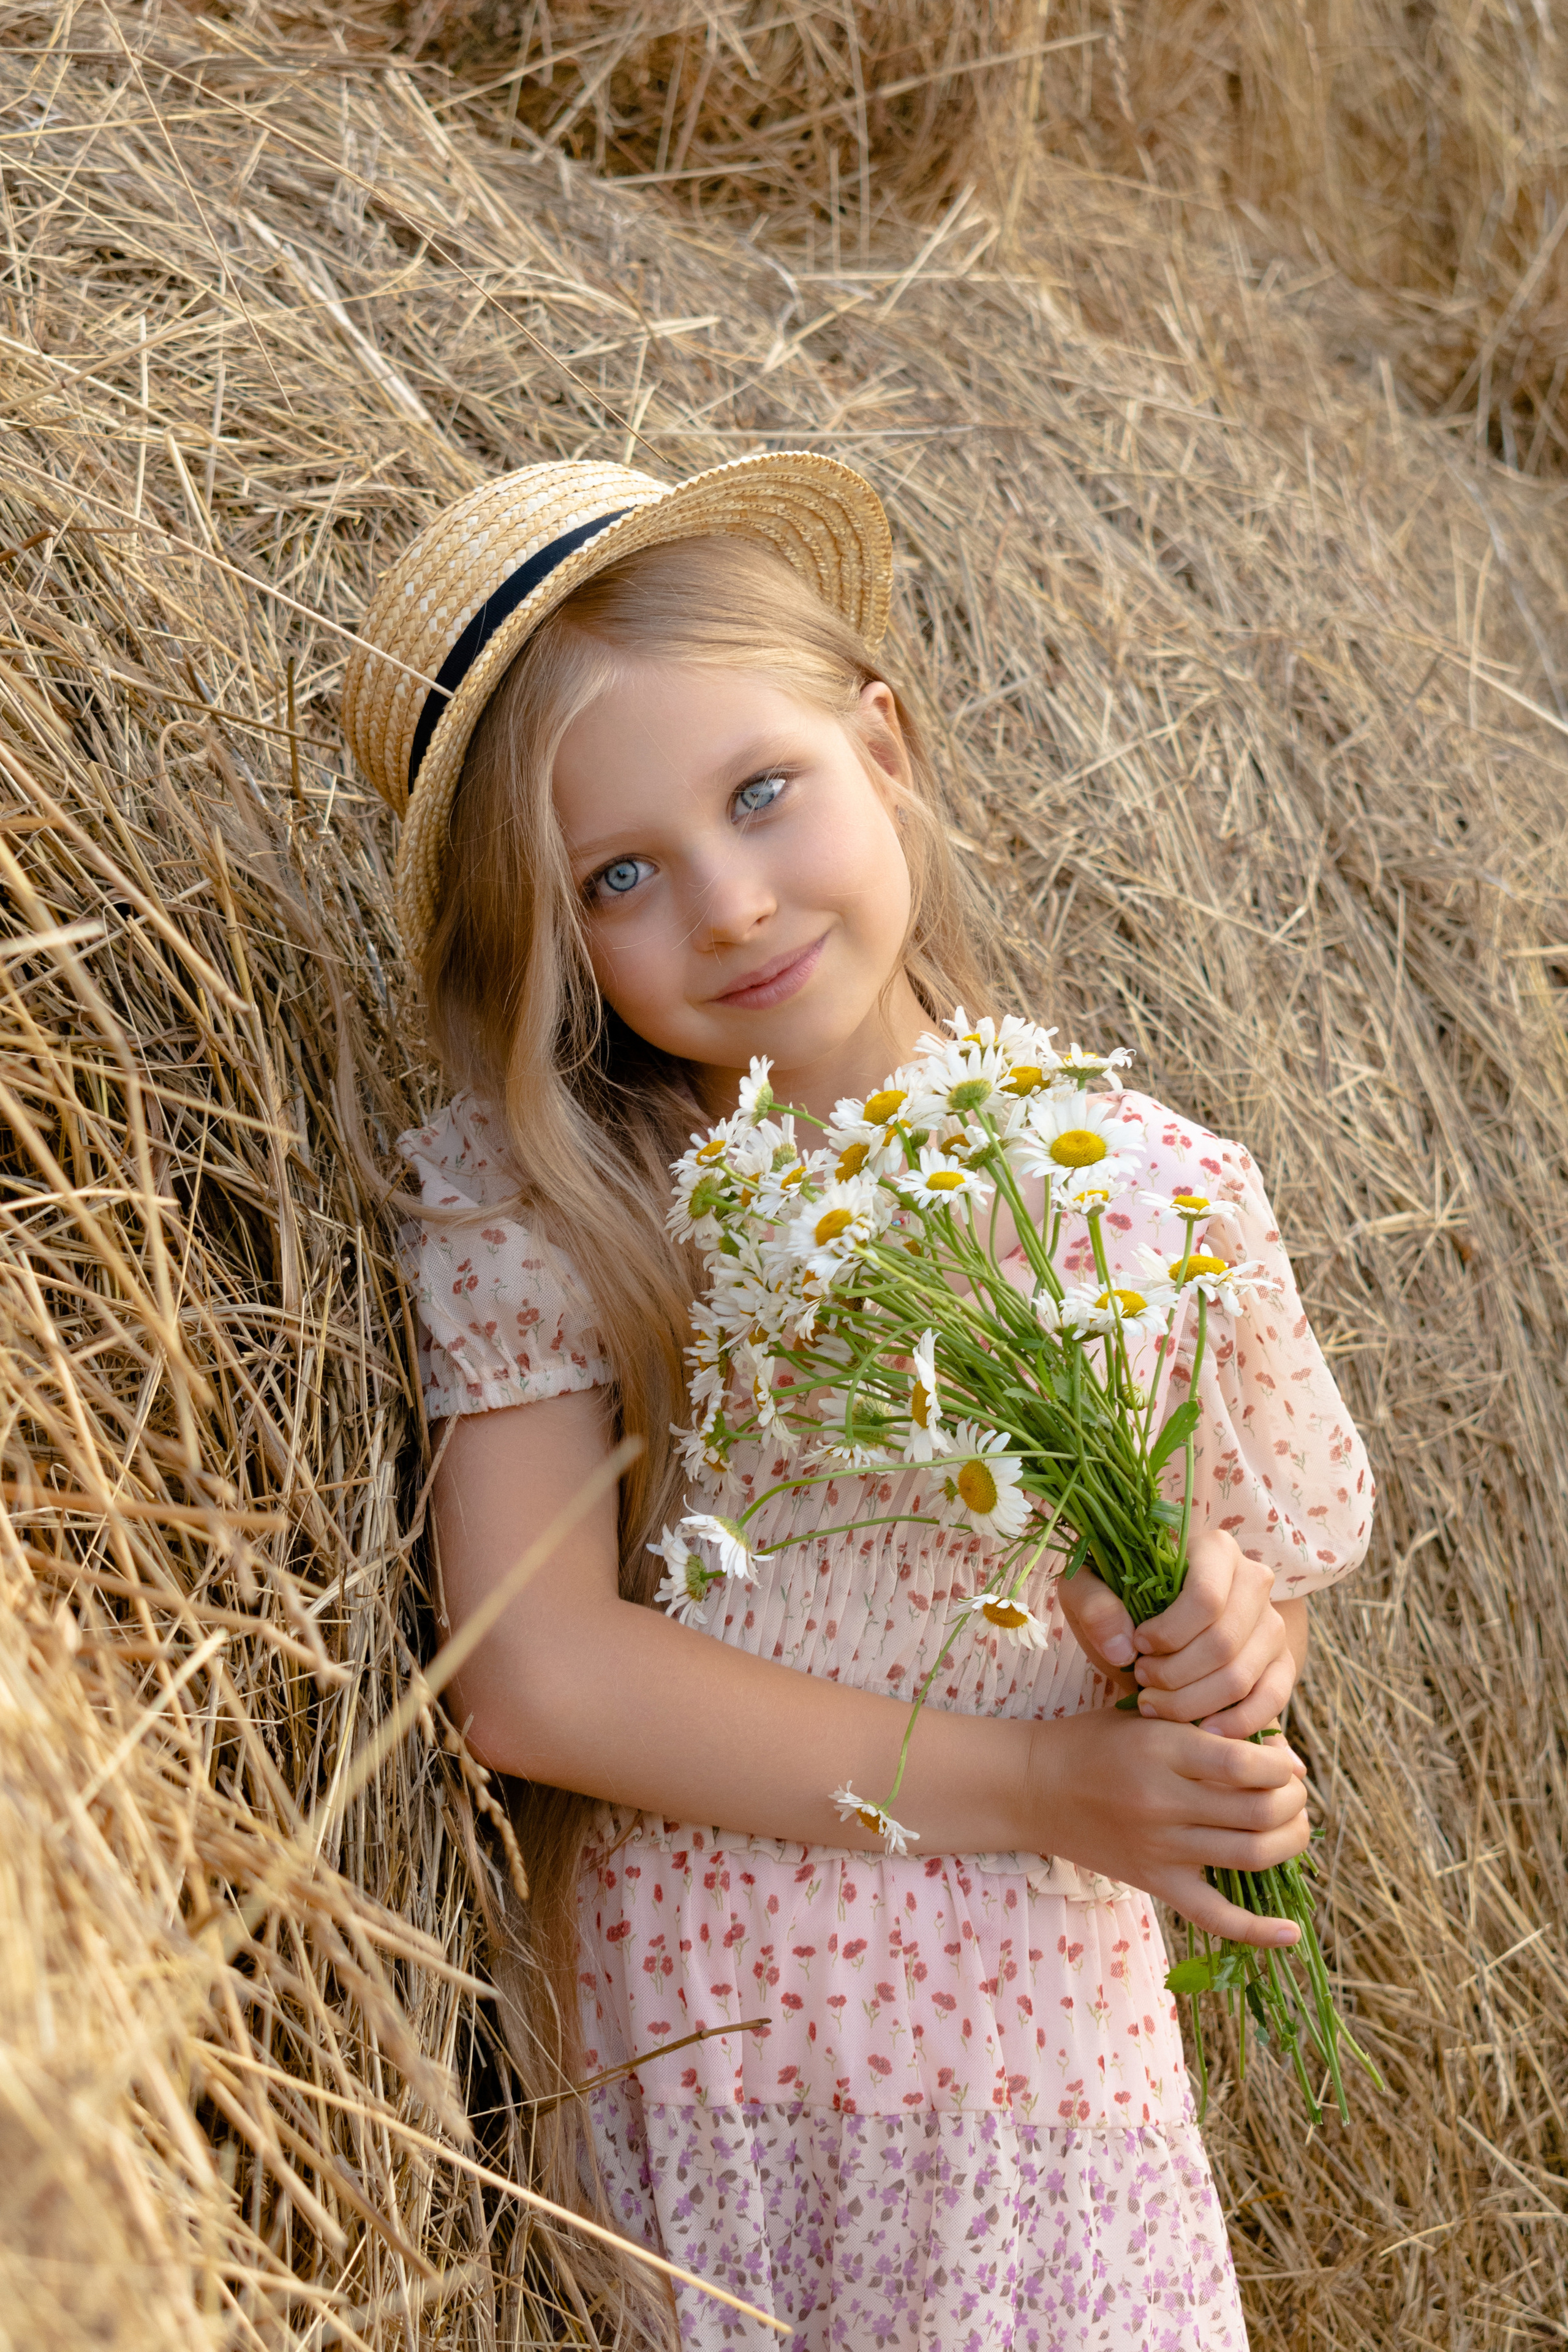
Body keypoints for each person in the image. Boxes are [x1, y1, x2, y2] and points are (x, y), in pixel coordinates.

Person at [342, 453, 1373, 2351]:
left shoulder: (1151, 1191)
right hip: (720, 2046)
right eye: (620, 877)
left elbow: (1242, 1583)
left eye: (762, 793)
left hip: (1040, 2049)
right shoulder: (558, 1198)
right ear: (554, 939)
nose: (731, 907)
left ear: (880, 745)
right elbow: (531, 1675)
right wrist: (1045, 1786)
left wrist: (1221, 1638)